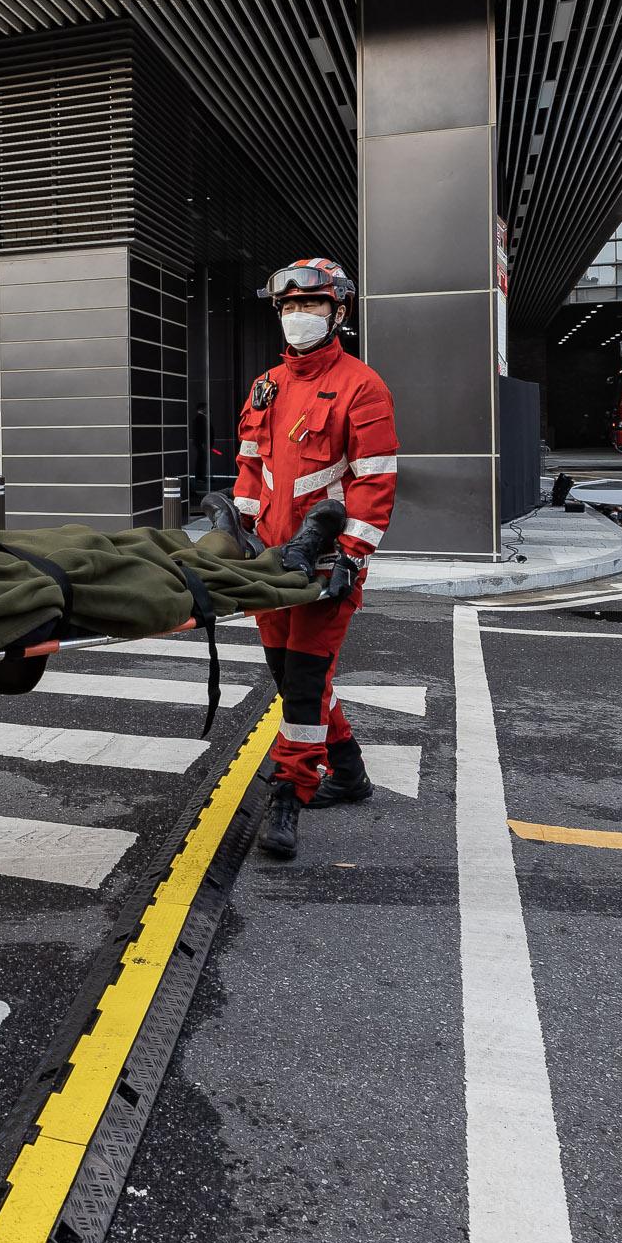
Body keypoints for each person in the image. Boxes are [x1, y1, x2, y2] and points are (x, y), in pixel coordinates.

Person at [221, 257, 397, 864]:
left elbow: (375, 481)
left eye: (311, 306)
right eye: (289, 307)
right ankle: (348, 773)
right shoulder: (265, 384)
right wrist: (239, 531)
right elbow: (250, 464)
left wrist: (352, 553)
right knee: (295, 678)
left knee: (301, 686)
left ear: (338, 312)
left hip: (325, 561)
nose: (298, 317)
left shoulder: (362, 385)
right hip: (270, 562)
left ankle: (290, 793)